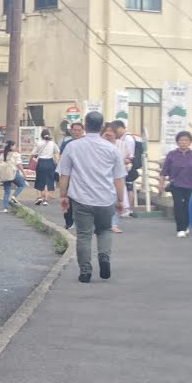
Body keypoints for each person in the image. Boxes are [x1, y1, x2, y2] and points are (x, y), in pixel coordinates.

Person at [58, 111, 127, 283]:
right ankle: (104, 257)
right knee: (104, 230)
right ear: (102, 126)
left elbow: (64, 174)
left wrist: (63, 196)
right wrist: (120, 200)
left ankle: (85, 271)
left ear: (85, 126)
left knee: (83, 235)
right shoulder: (112, 149)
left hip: (81, 198)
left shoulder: (72, 147)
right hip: (106, 199)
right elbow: (118, 178)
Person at [159, 130, 192, 238]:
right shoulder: (172, 155)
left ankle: (186, 225)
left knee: (189, 207)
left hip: (191, 186)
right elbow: (164, 171)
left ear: (190, 142)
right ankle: (180, 229)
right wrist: (160, 184)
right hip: (176, 185)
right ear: (177, 142)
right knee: (178, 207)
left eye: (186, 140)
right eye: (181, 140)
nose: (183, 142)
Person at [58, 121, 84, 229]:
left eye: (79, 130)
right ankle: (69, 222)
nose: (77, 132)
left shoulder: (85, 144)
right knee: (68, 199)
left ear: (83, 131)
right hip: (68, 175)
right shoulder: (66, 144)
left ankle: (81, 222)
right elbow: (62, 159)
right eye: (75, 130)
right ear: (70, 131)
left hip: (82, 177)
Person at [100, 124, 124, 233]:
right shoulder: (98, 146)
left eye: (111, 131)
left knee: (114, 202)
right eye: (106, 131)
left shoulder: (119, 146)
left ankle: (113, 224)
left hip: (115, 177)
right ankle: (102, 223)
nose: (109, 134)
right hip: (100, 180)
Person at [30, 127, 60, 206]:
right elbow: (58, 151)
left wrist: (31, 161)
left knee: (40, 180)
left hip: (41, 163)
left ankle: (39, 197)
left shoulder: (39, 143)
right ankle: (46, 200)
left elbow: (33, 153)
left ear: (41, 135)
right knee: (48, 181)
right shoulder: (52, 143)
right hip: (50, 163)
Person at [112, 120, 136, 217]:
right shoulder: (122, 138)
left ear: (120, 128)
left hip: (125, 166)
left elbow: (129, 155)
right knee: (123, 186)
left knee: (125, 187)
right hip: (121, 166)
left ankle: (126, 209)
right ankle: (123, 208)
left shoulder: (128, 139)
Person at [0, 140, 27, 212]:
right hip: (13, 173)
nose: (15, 147)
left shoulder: (3, 154)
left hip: (5, 175)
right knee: (22, 184)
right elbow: (19, 165)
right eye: (14, 146)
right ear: (11, 146)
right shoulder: (15, 154)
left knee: (6, 191)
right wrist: (23, 173)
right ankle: (14, 196)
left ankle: (5, 208)